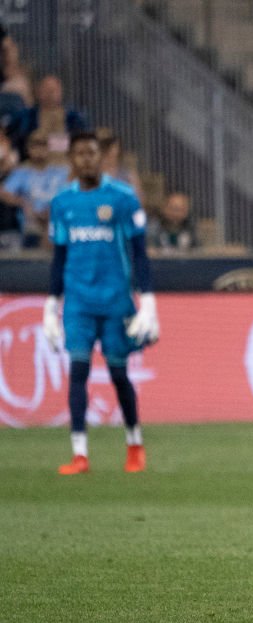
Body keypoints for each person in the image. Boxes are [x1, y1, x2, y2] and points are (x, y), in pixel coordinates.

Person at [42, 131, 159, 475]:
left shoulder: (122, 198)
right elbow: (59, 257)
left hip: (115, 302)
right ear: (72, 160)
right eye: (80, 154)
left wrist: (148, 301)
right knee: (77, 371)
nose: (87, 159)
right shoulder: (63, 203)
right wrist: (51, 305)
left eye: (92, 153)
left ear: (100, 157)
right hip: (78, 303)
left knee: (119, 374)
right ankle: (80, 454)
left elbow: (139, 254)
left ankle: (134, 443)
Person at [0, 128, 69, 247]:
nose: (39, 150)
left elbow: (73, 189)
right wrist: (22, 202)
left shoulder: (61, 170)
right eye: (35, 146)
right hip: (32, 224)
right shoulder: (22, 171)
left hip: (58, 220)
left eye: (42, 146)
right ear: (29, 149)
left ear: (48, 148)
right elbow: (3, 192)